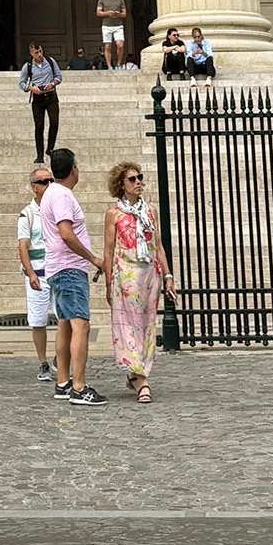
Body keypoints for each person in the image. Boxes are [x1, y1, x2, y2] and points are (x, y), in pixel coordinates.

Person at [103, 160, 174, 403]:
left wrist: (168, 275)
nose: (138, 182)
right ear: (121, 184)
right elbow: (108, 250)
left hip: (149, 276)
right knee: (130, 326)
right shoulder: (114, 213)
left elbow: (158, 246)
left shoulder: (149, 210)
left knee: (146, 326)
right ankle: (142, 380)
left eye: (139, 177)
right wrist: (108, 283)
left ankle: (136, 373)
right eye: (132, 179)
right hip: (126, 276)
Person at [40, 145, 105, 406]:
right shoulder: (63, 196)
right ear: (73, 169)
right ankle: (79, 386)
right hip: (68, 268)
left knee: (65, 324)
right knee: (81, 324)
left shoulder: (51, 193)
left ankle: (62, 382)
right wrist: (92, 257)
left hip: (59, 267)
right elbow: (66, 233)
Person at [18, 164, 55, 381]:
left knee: (67, 317)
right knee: (38, 320)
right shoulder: (27, 214)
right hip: (38, 272)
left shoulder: (57, 208)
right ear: (34, 186)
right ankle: (43, 362)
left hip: (57, 270)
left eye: (51, 180)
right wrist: (30, 273)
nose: (48, 185)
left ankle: (60, 358)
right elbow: (23, 246)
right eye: (43, 182)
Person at [20, 40, 62, 158]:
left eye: (40, 51)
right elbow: (21, 83)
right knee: (39, 126)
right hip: (38, 98)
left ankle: (50, 148)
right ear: (31, 53)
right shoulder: (28, 66)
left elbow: (58, 76)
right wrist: (31, 88)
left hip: (51, 95)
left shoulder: (50, 61)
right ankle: (39, 155)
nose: (39, 54)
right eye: (36, 52)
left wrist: (52, 84)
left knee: (54, 121)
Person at [97, 0, 128, 68]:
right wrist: (108, 13)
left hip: (118, 25)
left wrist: (117, 14)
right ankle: (109, 66)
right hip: (106, 25)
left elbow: (124, 14)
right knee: (107, 46)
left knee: (120, 45)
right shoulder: (102, 0)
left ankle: (118, 63)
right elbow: (98, 12)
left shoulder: (120, 0)